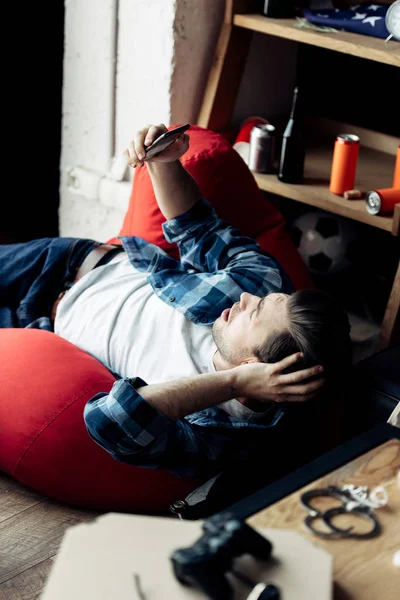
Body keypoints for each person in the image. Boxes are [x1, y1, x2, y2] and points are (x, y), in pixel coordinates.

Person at [0, 123, 352, 479]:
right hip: (73, 263)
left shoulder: (222, 431)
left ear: (253, 365)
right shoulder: (266, 283)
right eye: (262, 300)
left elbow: (108, 423)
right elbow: (196, 226)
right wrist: (164, 161)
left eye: (254, 312)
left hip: (33, 328)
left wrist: (234, 384)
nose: (246, 298)